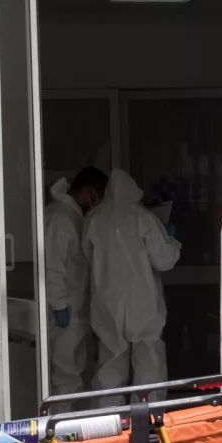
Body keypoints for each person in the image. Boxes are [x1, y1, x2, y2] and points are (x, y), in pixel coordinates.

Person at [83, 169, 181, 405]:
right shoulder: (143, 217)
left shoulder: (93, 220)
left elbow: (87, 256)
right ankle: (147, 420)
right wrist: (171, 239)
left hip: (108, 303)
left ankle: (106, 423)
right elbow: (165, 260)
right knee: (149, 363)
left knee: (110, 364)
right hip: (143, 303)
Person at [44, 167, 108, 403]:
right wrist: (59, 304)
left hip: (76, 312)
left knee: (75, 376)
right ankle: (61, 435)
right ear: (90, 191)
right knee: (66, 377)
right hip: (64, 314)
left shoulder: (73, 217)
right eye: (99, 196)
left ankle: (70, 431)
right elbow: (54, 265)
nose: (98, 203)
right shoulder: (60, 217)